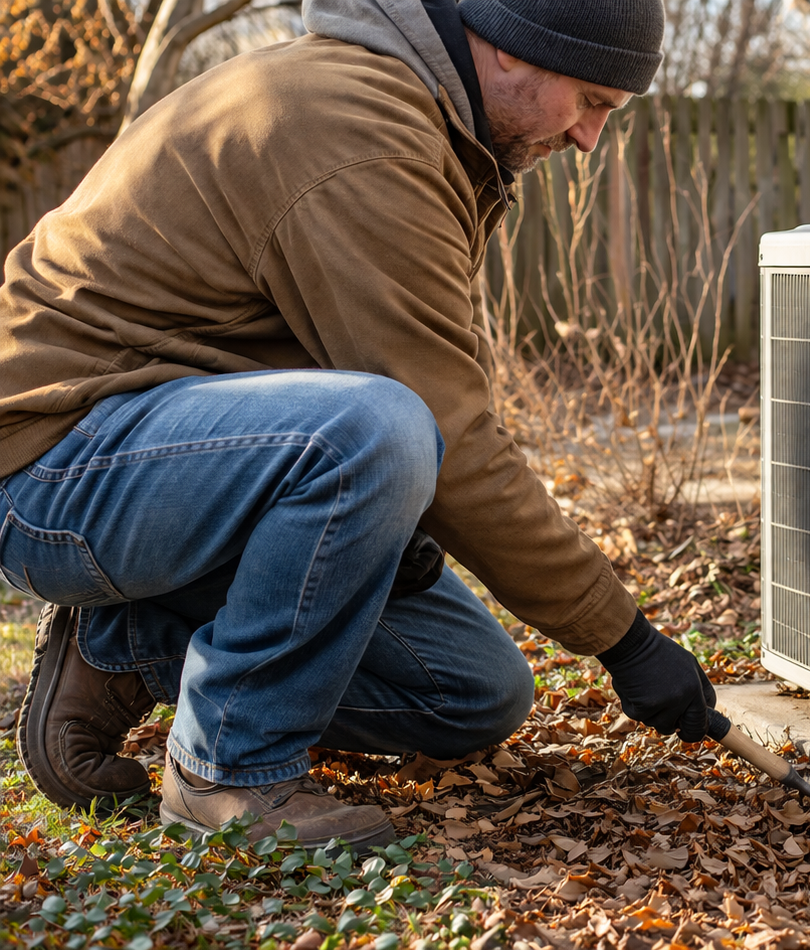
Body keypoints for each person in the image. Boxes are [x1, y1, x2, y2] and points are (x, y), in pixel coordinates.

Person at [0, 0, 714, 849]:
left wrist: (383, 515)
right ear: (512, 51)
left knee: (474, 691)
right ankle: (227, 772)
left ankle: (126, 645)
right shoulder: (355, 132)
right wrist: (625, 640)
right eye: (592, 100)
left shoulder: (411, 119)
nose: (591, 137)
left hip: (164, 452)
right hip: (54, 465)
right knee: (380, 428)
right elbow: (448, 437)